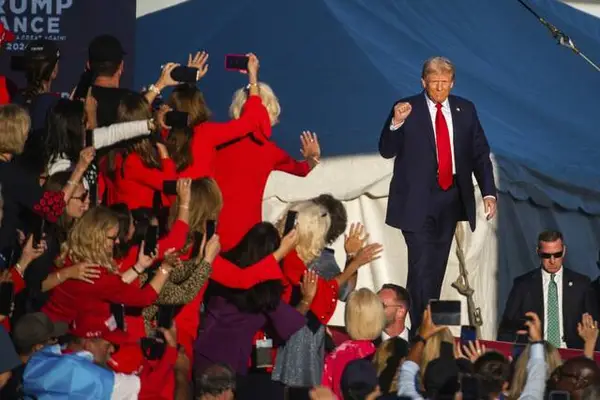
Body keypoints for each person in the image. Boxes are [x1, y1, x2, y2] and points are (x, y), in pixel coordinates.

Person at [378, 56, 496, 330]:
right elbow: (386, 150)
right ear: (423, 82)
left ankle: (430, 330)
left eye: (445, 82)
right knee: (420, 267)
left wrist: (488, 192)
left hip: (450, 197)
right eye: (434, 82)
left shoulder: (465, 110)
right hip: (416, 199)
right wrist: (396, 122)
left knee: (437, 269)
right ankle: (420, 331)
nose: (440, 88)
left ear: (452, 83)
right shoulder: (407, 107)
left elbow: (480, 154)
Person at [212, 82, 319, 251]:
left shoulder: (217, 140)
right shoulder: (268, 150)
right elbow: (302, 170)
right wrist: (312, 158)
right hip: (247, 233)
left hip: (210, 225)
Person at [498, 230, 598, 349]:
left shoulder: (581, 284)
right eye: (546, 255)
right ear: (538, 252)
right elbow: (507, 327)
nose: (552, 260)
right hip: (535, 351)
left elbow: (595, 325)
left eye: (557, 254)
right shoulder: (523, 285)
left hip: (571, 353)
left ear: (564, 251)